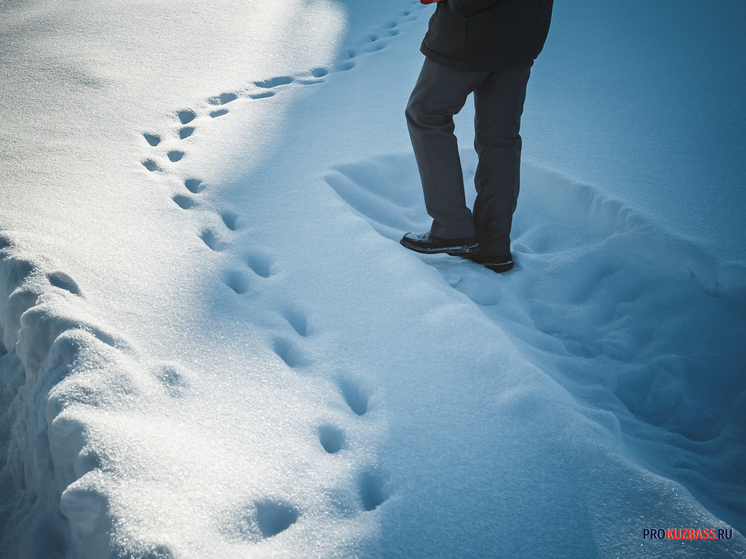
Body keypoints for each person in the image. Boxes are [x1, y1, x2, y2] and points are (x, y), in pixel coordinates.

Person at [400, 0, 553, 272]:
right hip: (523, 32)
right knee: (500, 138)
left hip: (471, 34)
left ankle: (452, 228)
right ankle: (494, 245)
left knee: (425, 114)